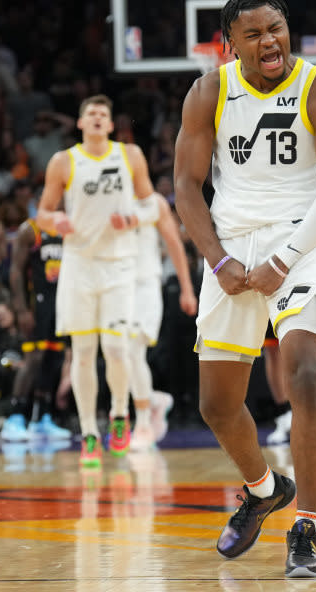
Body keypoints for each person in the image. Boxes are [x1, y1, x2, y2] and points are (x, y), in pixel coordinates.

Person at [174, 0, 316, 579]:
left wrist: (285, 258)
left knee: (305, 376)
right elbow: (185, 185)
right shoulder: (209, 92)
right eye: (253, 35)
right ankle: (261, 489)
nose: (269, 41)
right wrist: (218, 260)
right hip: (230, 248)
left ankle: (306, 527)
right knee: (217, 405)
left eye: (275, 29)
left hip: (298, 246)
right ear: (230, 44)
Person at [36, 94, 159, 467]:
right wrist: (55, 222)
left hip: (120, 265)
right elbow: (42, 212)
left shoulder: (129, 156)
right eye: (90, 112)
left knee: (118, 349)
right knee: (84, 352)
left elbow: (153, 205)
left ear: (109, 124)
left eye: (102, 114)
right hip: (78, 265)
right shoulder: (63, 162)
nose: (96, 118)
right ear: (80, 123)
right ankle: (89, 432)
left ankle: (119, 414)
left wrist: (134, 219)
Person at [127, 192, 198, 450]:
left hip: (145, 284)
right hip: (113, 285)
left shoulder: (154, 202)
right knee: (119, 357)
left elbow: (175, 245)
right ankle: (153, 400)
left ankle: (143, 423)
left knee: (132, 351)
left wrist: (187, 289)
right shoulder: (108, 198)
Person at [2, 216, 72, 441]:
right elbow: (15, 271)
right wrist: (21, 309)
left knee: (53, 359)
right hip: (36, 303)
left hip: (60, 303)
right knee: (33, 359)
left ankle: (42, 418)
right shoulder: (30, 229)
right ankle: (14, 417)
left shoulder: (68, 227)